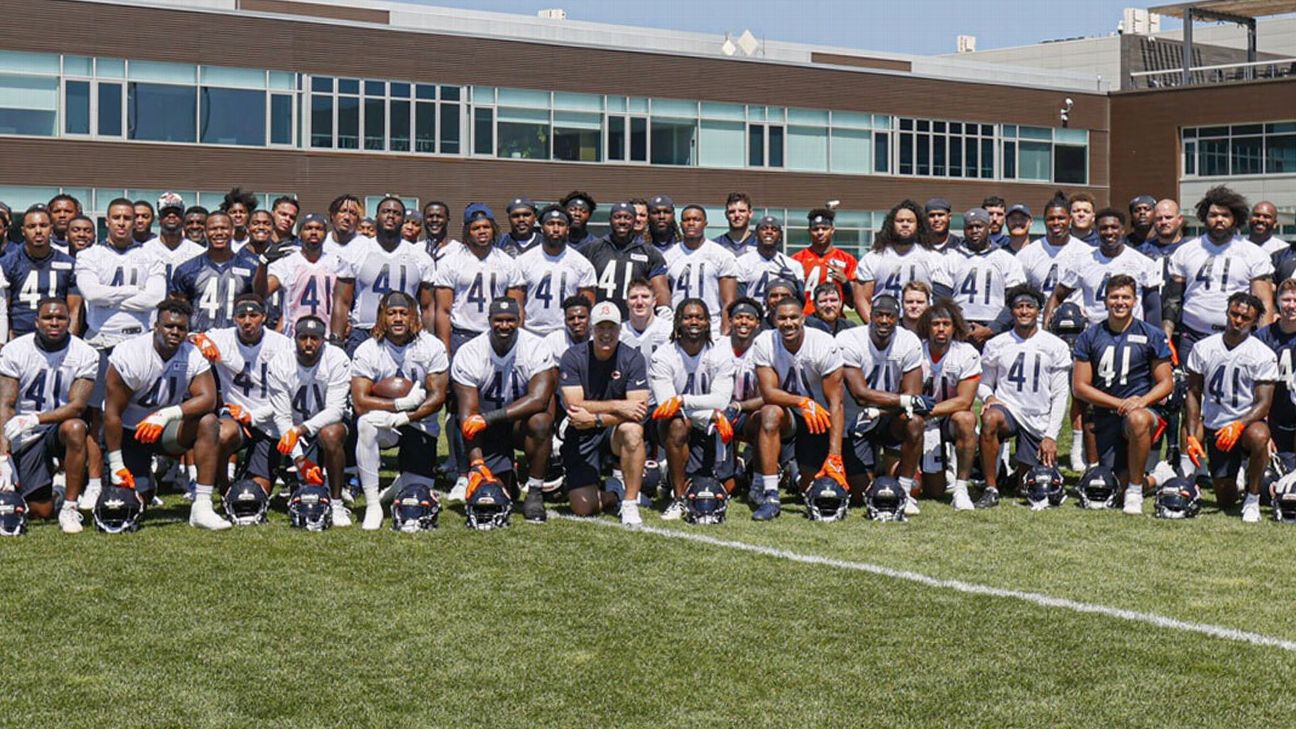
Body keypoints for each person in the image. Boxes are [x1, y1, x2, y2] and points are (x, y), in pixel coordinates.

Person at [102, 299, 228, 529]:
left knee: (208, 423)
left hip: (165, 429)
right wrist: (116, 464)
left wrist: (165, 415)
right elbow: (111, 414)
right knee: (135, 501)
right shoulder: (130, 354)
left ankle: (202, 506)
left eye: (181, 328)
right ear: (155, 326)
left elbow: (208, 399)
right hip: (130, 431)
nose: (175, 332)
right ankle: (141, 479)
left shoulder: (192, 354)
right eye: (169, 326)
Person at [75, 198, 166, 508]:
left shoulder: (150, 255)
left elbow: (156, 297)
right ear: (107, 221)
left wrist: (112, 298)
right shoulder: (90, 255)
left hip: (139, 344)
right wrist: (133, 294)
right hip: (101, 342)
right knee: (97, 416)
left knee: (134, 415)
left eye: (128, 218)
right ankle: (95, 482)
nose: (123, 223)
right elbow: (91, 294)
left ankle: (137, 476)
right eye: (117, 217)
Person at [1071, 274, 1175, 515]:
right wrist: (1119, 403)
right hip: (1107, 415)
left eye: (1126, 297)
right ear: (1105, 300)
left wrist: (1141, 401)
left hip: (1142, 413)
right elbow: (1080, 387)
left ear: (1135, 301)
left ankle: (1136, 492)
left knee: (1137, 418)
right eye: (1114, 297)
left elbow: (1166, 383)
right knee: (1111, 488)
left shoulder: (1151, 334)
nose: (1120, 302)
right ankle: (1157, 478)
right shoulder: (1090, 336)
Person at [350, 291, 450, 530]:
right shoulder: (368, 349)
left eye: (403, 313)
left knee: (418, 487)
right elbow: (360, 402)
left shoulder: (431, 346)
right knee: (365, 424)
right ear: (381, 317)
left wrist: (406, 416)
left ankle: (397, 486)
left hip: (420, 421)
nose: (397, 319)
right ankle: (373, 504)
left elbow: (438, 398)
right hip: (384, 420)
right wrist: (399, 405)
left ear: (414, 317)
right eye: (391, 313)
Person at [452, 297, 557, 524]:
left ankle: (536, 491)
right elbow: (468, 416)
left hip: (518, 424)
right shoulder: (470, 352)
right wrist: (477, 464)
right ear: (489, 321)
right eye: (498, 320)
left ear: (519, 321)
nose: (504, 325)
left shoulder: (536, 347)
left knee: (541, 422)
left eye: (510, 320)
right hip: (487, 429)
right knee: (496, 492)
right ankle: (500, 474)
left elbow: (539, 400)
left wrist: (490, 418)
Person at [0, 298, 97, 533]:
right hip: (22, 432)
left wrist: (35, 418)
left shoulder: (85, 352)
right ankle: (56, 489)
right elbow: (6, 403)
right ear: (36, 321)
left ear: (69, 321)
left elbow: (77, 407)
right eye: (48, 318)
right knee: (40, 511)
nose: (54, 323)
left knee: (75, 427)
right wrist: (4, 455)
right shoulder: (15, 350)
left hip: (56, 427)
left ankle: (70, 507)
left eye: (61, 318)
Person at [750, 296, 846, 520]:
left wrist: (835, 455)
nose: (788, 323)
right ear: (774, 319)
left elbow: (836, 403)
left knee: (813, 489)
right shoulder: (765, 342)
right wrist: (802, 402)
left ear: (803, 318)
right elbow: (768, 393)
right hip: (790, 413)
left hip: (821, 418)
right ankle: (771, 494)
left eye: (793, 317)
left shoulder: (823, 343)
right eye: (782, 318)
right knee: (769, 413)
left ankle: (795, 473)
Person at [975, 286, 1071, 509]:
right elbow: (984, 383)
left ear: (1038, 311)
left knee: (1028, 487)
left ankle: (1012, 476)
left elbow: (1060, 395)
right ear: (1012, 311)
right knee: (990, 419)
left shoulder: (1055, 346)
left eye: (1030, 307)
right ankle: (991, 488)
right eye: (1019, 307)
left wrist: (1051, 436)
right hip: (1008, 410)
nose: (1024, 311)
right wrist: (989, 397)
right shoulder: (997, 343)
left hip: (1038, 416)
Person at [1185, 292, 1277, 523]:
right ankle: (1236, 480)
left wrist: (1239, 425)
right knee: (1225, 499)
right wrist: (1192, 434)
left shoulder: (1262, 354)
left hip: (1245, 424)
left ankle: (1253, 498)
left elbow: (1264, 403)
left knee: (1259, 435)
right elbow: (1194, 393)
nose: (1237, 321)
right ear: (1227, 312)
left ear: (1255, 322)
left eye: (1245, 317)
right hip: (1216, 425)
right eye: (1234, 314)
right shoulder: (1203, 348)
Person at [191, 293, 294, 498]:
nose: (247, 321)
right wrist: (200, 339)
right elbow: (188, 336)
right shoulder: (222, 337)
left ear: (264, 317)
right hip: (236, 416)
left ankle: (254, 476)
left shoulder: (282, 345)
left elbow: (290, 395)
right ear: (234, 318)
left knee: (257, 494)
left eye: (254, 315)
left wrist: (257, 416)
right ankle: (223, 484)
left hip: (270, 420)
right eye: (241, 316)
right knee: (221, 434)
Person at [558, 300, 650, 525]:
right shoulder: (572, 356)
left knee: (632, 430)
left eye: (611, 327)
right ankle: (615, 495)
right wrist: (619, 406)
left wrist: (596, 419)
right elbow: (574, 404)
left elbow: (638, 410)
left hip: (610, 430)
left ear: (620, 329)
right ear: (592, 329)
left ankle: (629, 504)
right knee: (583, 507)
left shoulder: (633, 358)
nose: (606, 333)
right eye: (601, 327)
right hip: (580, 431)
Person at [1164, 185, 1276, 365]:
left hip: (1237, 337)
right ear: (1204, 217)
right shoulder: (1185, 251)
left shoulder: (1253, 253)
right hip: (1193, 335)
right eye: (1213, 215)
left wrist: (1264, 342)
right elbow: (1173, 299)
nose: (1219, 220)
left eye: (1225, 215)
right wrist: (1166, 336)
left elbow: (1263, 301)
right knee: (1191, 390)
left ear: (1235, 219)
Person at [837, 294, 926, 511]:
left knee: (914, 422)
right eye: (879, 315)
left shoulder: (908, 341)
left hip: (888, 418)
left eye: (890, 316)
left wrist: (880, 412)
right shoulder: (849, 339)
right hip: (854, 419)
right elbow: (860, 394)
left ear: (898, 318)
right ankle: (878, 466)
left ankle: (904, 491)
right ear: (870, 316)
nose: (884, 321)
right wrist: (904, 400)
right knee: (862, 494)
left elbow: (912, 397)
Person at [649, 299, 736, 520]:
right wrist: (713, 414)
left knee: (727, 485)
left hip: (706, 425)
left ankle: (670, 473)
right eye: (687, 317)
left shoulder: (720, 354)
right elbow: (666, 406)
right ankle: (678, 499)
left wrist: (683, 400)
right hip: (672, 426)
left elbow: (722, 399)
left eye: (699, 317)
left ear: (708, 322)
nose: (693, 322)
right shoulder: (663, 355)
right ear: (678, 322)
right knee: (678, 424)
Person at [267, 315, 352, 526]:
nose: (308, 343)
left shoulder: (336, 358)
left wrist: (301, 430)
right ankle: (296, 482)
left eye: (314, 338)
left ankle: (337, 503)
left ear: (323, 339)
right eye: (303, 337)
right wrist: (299, 459)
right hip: (296, 425)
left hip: (327, 426)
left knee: (330, 435)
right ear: (294, 338)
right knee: (307, 487)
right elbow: (282, 416)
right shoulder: (279, 363)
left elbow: (335, 410)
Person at [331, 196, 437, 354]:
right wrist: (336, 341)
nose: (391, 216)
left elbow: (427, 307)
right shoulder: (356, 250)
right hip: (365, 331)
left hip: (407, 334)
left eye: (396, 213)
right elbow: (342, 301)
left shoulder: (420, 257)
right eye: (386, 211)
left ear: (403, 220)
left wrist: (429, 339)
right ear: (376, 217)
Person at [1044, 208, 1162, 328]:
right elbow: (1057, 296)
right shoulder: (1082, 262)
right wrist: (1046, 329)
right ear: (1097, 231)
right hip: (1094, 336)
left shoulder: (1143, 263)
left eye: (1114, 227)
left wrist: (1155, 340)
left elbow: (1152, 308)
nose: (1109, 232)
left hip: (1131, 335)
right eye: (1104, 228)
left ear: (1123, 230)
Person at [916, 298, 981, 509]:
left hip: (946, 418)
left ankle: (961, 489)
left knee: (966, 419)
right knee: (933, 491)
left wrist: (929, 411)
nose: (941, 329)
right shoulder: (916, 350)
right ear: (927, 327)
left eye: (946, 324)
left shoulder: (966, 353)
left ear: (955, 327)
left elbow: (965, 401)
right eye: (936, 324)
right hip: (919, 420)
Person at [854, 199, 950, 320]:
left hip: (920, 325)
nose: (905, 224)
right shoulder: (874, 257)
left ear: (918, 225)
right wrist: (874, 326)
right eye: (900, 221)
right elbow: (861, 299)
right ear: (891, 224)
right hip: (884, 321)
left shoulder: (933, 258)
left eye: (910, 221)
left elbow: (941, 300)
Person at [168, 211, 261, 332]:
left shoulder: (250, 268)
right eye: (213, 229)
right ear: (205, 233)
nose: (219, 233)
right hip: (198, 340)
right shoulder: (186, 269)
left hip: (236, 340)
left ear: (232, 231)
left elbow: (258, 305)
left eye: (224, 228)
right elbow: (177, 311)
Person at [946, 207, 1026, 345]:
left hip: (996, 330)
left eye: (979, 226)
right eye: (970, 227)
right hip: (959, 329)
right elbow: (941, 297)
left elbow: (1015, 299)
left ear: (988, 228)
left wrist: (992, 329)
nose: (975, 231)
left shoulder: (1007, 259)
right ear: (964, 230)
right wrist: (959, 325)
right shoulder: (950, 258)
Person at [259, 213, 345, 337]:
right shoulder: (286, 263)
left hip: (326, 336)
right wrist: (263, 263)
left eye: (319, 229)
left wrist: (338, 335)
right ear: (299, 234)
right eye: (308, 228)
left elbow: (343, 303)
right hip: (293, 336)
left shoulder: (337, 263)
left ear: (326, 234)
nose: (314, 232)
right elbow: (262, 293)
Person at [3, 206, 81, 338]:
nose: (38, 231)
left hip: (57, 337)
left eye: (43, 225)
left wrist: (69, 341)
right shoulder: (8, 263)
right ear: (23, 231)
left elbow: (75, 310)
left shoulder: (69, 263)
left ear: (51, 229)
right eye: (32, 226)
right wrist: (11, 343)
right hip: (19, 336)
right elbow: (3, 309)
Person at [517, 206, 596, 336]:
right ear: (542, 228)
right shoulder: (523, 261)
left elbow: (587, 308)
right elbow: (518, 304)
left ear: (568, 229)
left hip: (566, 334)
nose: (555, 229)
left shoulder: (582, 264)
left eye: (560, 224)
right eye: (550, 224)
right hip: (531, 332)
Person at [579, 201, 671, 310]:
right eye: (617, 217)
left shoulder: (651, 254)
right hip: (600, 321)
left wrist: (664, 312)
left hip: (635, 320)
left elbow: (661, 292)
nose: (622, 221)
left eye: (627, 218)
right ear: (610, 220)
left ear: (634, 221)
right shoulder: (591, 249)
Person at [663, 205, 738, 334]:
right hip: (678, 325)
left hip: (712, 326)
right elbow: (664, 297)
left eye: (696, 219)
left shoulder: (722, 255)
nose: (691, 223)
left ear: (705, 224)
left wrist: (725, 331)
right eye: (687, 220)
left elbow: (728, 301)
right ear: (681, 224)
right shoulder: (668, 256)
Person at [1016, 193, 1084, 309]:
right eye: (1051, 219)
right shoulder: (1027, 254)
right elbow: (1017, 294)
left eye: (1061, 218)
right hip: (1038, 322)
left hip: (1076, 323)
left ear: (1070, 220)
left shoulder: (1086, 253)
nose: (1056, 223)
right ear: (1044, 221)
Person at [794, 208, 864, 317]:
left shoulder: (847, 260)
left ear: (832, 230)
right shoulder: (797, 260)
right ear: (809, 231)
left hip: (834, 320)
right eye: (815, 229)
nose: (820, 232)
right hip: (806, 319)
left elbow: (852, 303)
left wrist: (845, 282)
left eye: (824, 228)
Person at [1256, 278, 1296, 461]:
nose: (1291, 305)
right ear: (1278, 302)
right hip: (1272, 412)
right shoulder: (1262, 338)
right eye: (1287, 300)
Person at [735, 215, 801, 303]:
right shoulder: (742, 263)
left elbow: (801, 300)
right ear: (756, 235)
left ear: (780, 236)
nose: (769, 232)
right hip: (754, 314)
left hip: (781, 315)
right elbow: (740, 299)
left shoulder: (793, 265)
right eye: (764, 228)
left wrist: (795, 283)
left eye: (774, 229)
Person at [146, 192, 204, 285]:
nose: (171, 216)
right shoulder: (144, 251)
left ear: (183, 218)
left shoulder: (199, 253)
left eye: (176, 213)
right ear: (159, 219)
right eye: (166, 213)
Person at [619, 278, 673, 362]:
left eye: (645, 297)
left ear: (654, 302)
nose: (639, 302)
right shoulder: (619, 332)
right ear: (627, 302)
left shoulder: (669, 330)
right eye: (633, 297)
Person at [545, 295, 592, 363]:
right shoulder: (553, 341)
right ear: (565, 321)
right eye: (571, 318)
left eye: (581, 317)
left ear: (590, 318)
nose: (576, 322)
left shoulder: (598, 339)